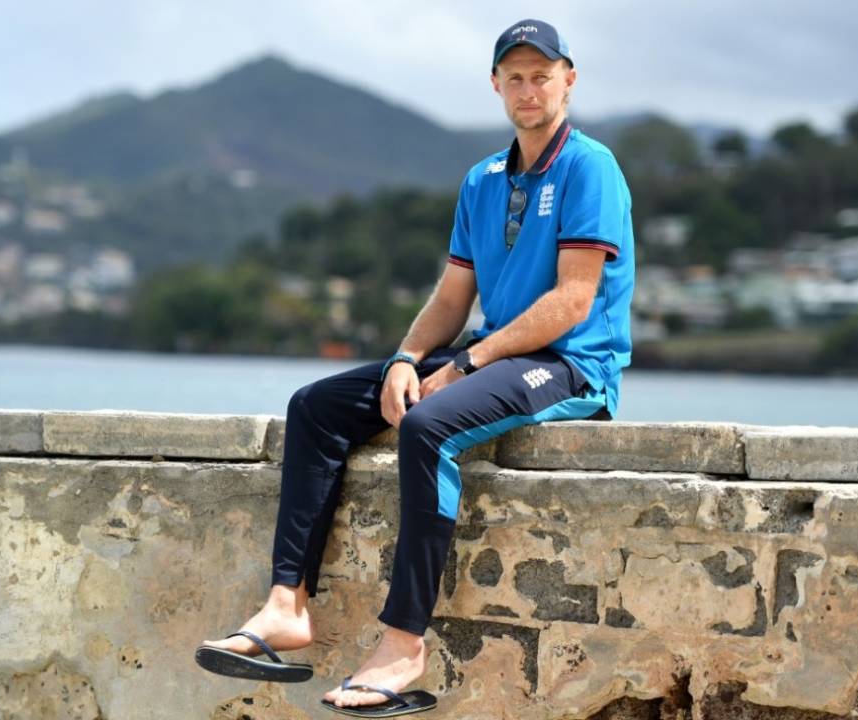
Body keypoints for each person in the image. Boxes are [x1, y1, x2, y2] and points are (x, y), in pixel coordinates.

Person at [196, 18, 635, 718]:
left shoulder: (591, 167)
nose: (528, 89)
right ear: (496, 85)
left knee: (427, 426)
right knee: (317, 404)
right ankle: (287, 605)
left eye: (542, 75)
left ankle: (403, 645)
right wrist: (407, 357)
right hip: (490, 353)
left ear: (568, 79)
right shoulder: (482, 179)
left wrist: (466, 364)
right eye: (514, 77)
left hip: (569, 364)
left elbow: (573, 303)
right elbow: (453, 294)